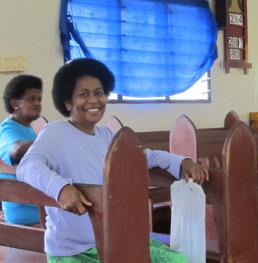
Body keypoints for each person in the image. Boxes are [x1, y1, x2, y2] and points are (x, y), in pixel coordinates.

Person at [17, 58, 208, 263]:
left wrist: (182, 162)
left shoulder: (106, 136)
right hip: (73, 251)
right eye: (83, 94)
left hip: (113, 240)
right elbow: (26, 166)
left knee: (180, 261)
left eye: (98, 93)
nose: (93, 100)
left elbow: (144, 156)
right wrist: (61, 189)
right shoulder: (56, 132)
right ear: (67, 102)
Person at [0, 75, 42, 225]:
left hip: (38, 207)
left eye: (39, 99)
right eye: (31, 99)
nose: (37, 103)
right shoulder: (8, 129)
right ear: (15, 103)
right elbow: (15, 151)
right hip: (27, 216)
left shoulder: (26, 128)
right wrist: (51, 141)